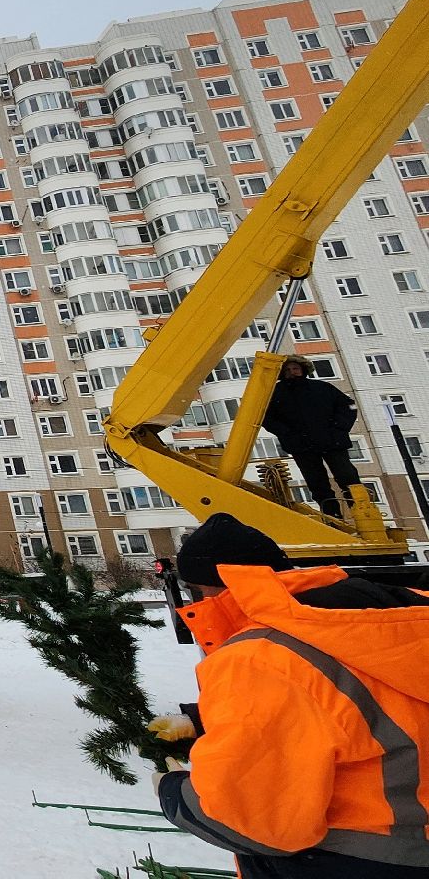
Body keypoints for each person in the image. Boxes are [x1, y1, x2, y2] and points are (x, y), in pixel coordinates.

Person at [156, 512, 429, 877]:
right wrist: (204, 717)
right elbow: (365, 705)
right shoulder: (379, 621)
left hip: (348, 860)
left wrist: (172, 791)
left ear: (205, 589)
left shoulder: (258, 658)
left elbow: (251, 820)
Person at [260, 354, 364, 520]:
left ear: (303, 369)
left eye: (295, 368)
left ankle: (364, 513)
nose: (292, 372)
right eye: (287, 370)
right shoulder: (276, 394)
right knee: (317, 483)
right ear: (281, 373)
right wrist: (287, 434)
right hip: (302, 446)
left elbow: (349, 406)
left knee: (348, 477)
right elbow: (266, 418)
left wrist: (339, 429)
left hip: (332, 442)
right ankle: (332, 517)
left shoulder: (321, 388)